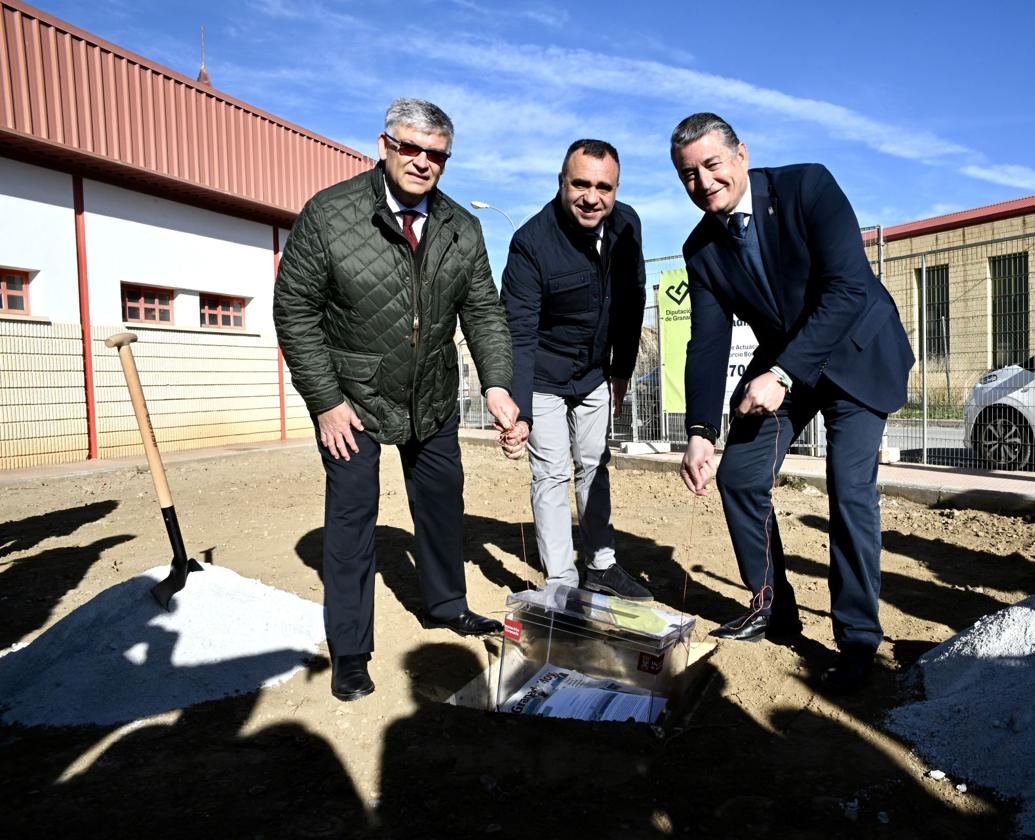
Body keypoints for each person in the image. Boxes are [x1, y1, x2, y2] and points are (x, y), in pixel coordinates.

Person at [274, 98, 519, 702]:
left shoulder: (463, 226)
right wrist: (326, 400)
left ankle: (446, 605)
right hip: (349, 399)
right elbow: (295, 310)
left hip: (430, 393)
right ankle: (351, 651)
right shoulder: (330, 215)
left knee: (441, 505)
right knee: (353, 519)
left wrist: (497, 384)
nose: (422, 162)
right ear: (384, 145)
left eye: (436, 154)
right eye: (410, 147)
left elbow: (483, 310)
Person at [669, 113, 915, 692]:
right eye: (688, 175)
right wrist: (701, 429)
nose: (703, 182)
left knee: (848, 488)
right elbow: (707, 341)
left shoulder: (807, 187)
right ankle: (769, 608)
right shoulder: (701, 248)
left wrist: (780, 372)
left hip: (856, 350)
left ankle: (857, 641)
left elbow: (849, 285)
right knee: (739, 477)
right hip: (791, 362)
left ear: (742, 155)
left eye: (712, 164)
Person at [498, 139, 651, 600]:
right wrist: (519, 410)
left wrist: (621, 370)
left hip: (593, 375)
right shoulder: (531, 243)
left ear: (616, 187)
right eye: (580, 183)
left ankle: (601, 565)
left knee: (595, 465)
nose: (592, 197)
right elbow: (518, 334)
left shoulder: (626, 225)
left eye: (603, 187)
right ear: (561, 183)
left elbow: (632, 300)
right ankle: (562, 582)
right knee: (551, 474)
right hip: (543, 378)